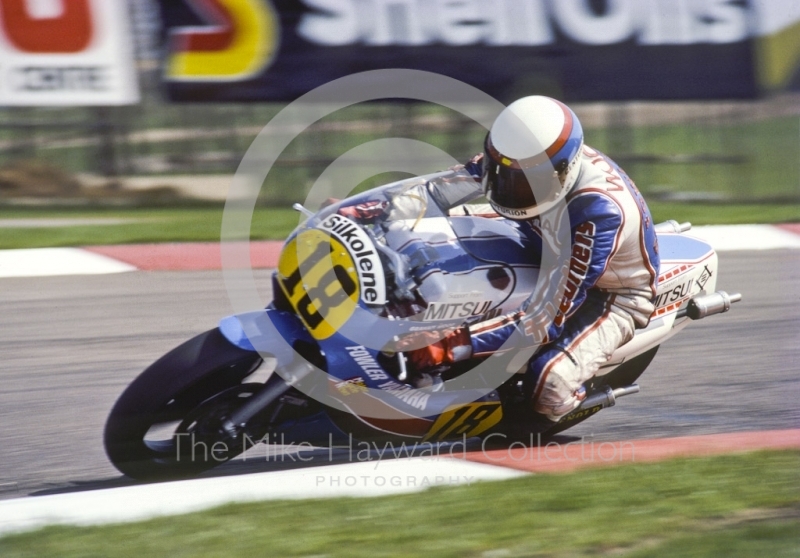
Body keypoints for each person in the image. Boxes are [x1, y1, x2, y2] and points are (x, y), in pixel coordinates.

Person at [404, 95, 661, 432]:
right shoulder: (518, 155)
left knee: (549, 385)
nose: (511, 189)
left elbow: (544, 318)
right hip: (536, 236)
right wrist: (375, 212)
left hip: (612, 294)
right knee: (423, 238)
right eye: (505, 175)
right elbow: (439, 190)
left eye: (527, 181)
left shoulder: (599, 213)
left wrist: (450, 344)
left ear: (563, 170)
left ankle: (569, 394)